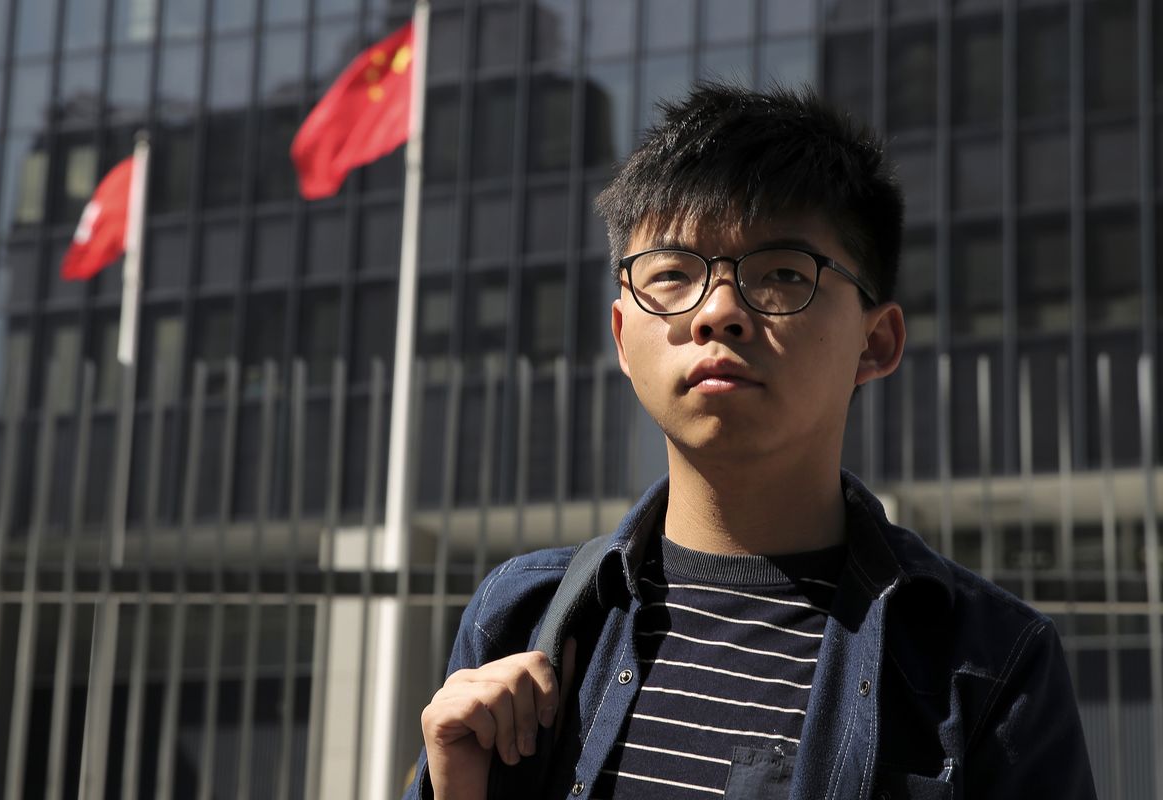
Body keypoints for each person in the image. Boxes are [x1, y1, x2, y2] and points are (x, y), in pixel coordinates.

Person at [405, 83, 1097, 800]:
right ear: (621, 335)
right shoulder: (527, 616)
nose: (719, 312)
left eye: (783, 275)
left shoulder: (983, 662)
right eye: (672, 275)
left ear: (876, 340)